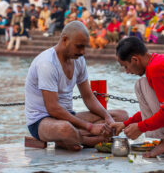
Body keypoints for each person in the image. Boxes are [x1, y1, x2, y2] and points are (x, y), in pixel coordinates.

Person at [25, 21, 128, 151]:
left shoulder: (79, 60)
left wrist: (108, 118)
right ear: (65, 40)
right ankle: (86, 139)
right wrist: (90, 127)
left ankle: (72, 139)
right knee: (65, 129)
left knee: (121, 116)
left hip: (68, 116)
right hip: (42, 122)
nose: (83, 52)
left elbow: (88, 97)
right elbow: (53, 109)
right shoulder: (47, 63)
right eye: (79, 47)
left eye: (85, 47)